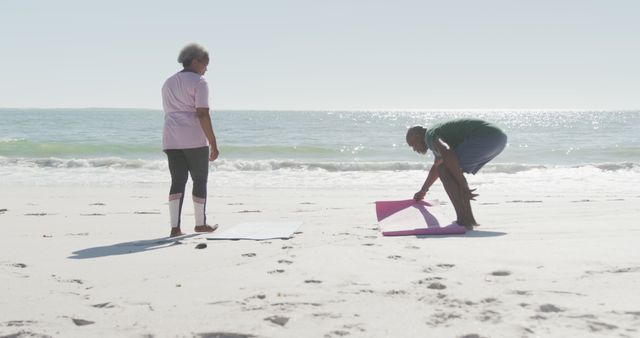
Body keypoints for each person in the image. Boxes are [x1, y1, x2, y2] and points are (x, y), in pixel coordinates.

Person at [406, 119, 507, 230]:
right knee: (446, 168)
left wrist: (464, 185)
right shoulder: (434, 135)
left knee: (445, 169)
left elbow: (446, 150)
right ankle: (469, 219)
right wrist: (423, 190)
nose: (414, 149)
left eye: (413, 145)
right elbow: (436, 166)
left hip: (486, 137)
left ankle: (463, 220)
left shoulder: (429, 136)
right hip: (499, 138)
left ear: (418, 136)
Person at [162, 43, 219, 237]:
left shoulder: (168, 82)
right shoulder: (199, 82)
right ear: (194, 62)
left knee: (177, 181)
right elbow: (202, 114)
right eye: (205, 65)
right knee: (199, 180)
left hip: (171, 138)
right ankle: (200, 224)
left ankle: (175, 228)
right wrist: (213, 142)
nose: (206, 70)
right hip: (194, 139)